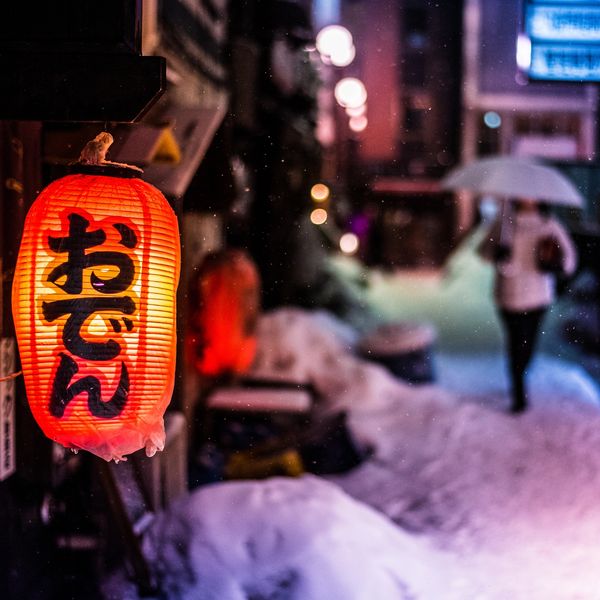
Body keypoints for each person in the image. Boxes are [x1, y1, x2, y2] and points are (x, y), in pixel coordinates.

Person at [478, 198, 577, 414]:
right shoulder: (504, 224)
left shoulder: (549, 224)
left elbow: (569, 261)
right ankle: (518, 390)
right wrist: (497, 251)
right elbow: (483, 253)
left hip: (538, 298)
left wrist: (554, 262)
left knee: (526, 344)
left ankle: (519, 378)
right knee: (518, 344)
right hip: (510, 297)